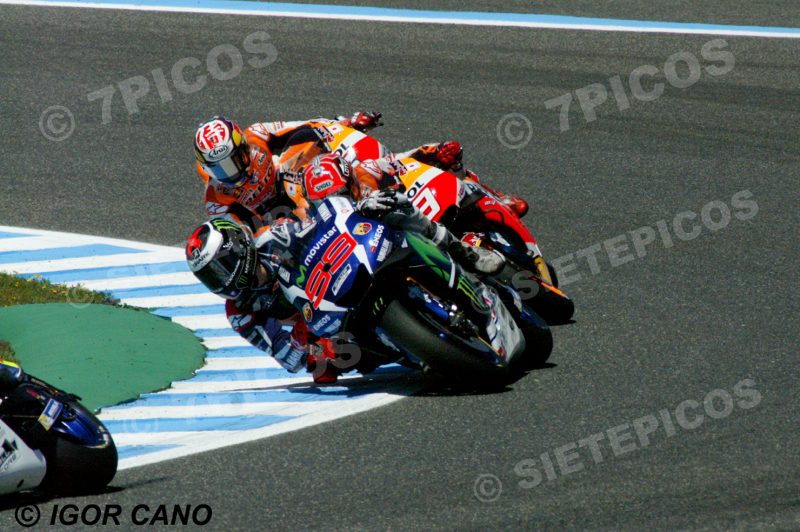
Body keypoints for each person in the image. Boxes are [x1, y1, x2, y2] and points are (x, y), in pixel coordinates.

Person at [185, 193, 505, 384]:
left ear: (239, 246)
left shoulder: (272, 238)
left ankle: (467, 252)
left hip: (340, 275)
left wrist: (353, 208)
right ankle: (419, 349)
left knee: (392, 207)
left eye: (220, 267)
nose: (221, 279)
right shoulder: (241, 314)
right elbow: (286, 355)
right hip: (326, 332)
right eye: (210, 276)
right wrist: (314, 354)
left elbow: (314, 221)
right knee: (338, 365)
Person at [193, 112, 529, 228]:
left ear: (242, 146)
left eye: (232, 161)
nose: (229, 172)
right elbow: (246, 235)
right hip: (289, 219)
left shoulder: (257, 134)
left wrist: (347, 124)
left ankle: (445, 168)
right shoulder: (217, 198)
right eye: (218, 168)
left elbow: (310, 124)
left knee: (359, 165)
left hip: (298, 174)